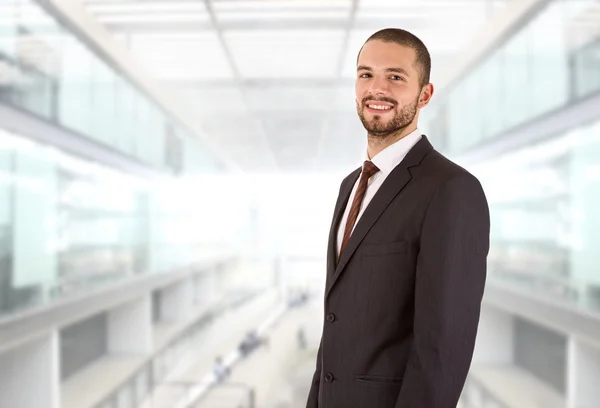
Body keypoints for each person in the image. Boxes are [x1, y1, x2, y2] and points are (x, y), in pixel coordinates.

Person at [305, 28, 490, 408]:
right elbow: (336, 324)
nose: (377, 88)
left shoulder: (451, 189)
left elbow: (442, 350)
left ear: (425, 95)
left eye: (395, 77)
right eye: (365, 74)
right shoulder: (350, 187)